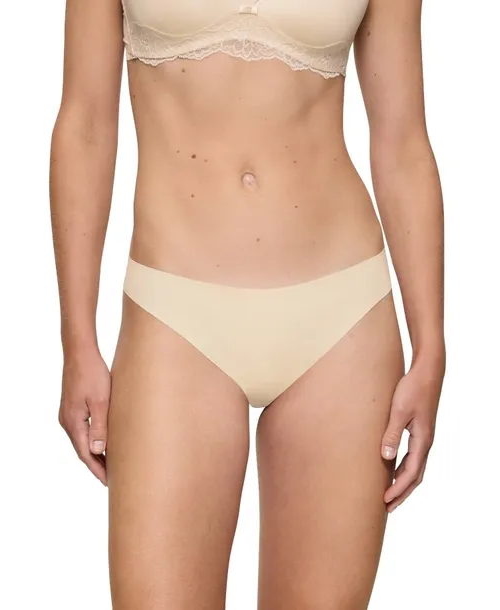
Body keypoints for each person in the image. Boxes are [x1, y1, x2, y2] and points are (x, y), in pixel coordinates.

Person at [49, 0, 446, 607]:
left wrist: (431, 348)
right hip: (175, 313)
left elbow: (403, 142)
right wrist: (77, 341)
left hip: (342, 318)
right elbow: (84, 124)